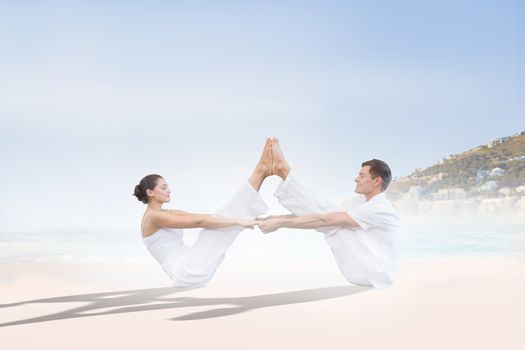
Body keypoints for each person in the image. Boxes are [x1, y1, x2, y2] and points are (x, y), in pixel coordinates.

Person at [257, 138, 401, 289]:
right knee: (334, 213)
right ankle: (284, 172)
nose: (356, 178)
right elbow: (324, 217)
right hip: (373, 269)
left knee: (334, 218)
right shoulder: (369, 205)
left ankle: (284, 171)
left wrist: (280, 223)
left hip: (372, 271)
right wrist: (277, 218)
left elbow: (325, 220)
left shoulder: (379, 207)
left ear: (376, 181)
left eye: (362, 175)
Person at [133, 139, 274, 288]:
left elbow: (204, 217)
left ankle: (262, 171)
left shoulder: (166, 213)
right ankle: (261, 170)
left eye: (167, 186)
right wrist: (239, 221)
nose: (169, 190)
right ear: (150, 192)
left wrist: (240, 219)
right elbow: (199, 223)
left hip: (190, 266)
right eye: (163, 187)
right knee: (217, 227)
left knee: (220, 221)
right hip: (186, 272)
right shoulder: (154, 217)